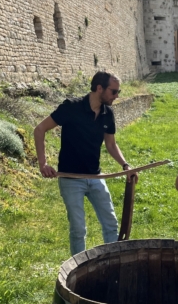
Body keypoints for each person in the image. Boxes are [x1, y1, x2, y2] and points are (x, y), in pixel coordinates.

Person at [34, 71, 137, 256]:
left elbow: (111, 144)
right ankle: (78, 270)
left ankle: (113, 264)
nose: (117, 96)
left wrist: (125, 165)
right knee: (78, 229)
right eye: (114, 92)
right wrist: (43, 163)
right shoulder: (71, 107)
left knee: (110, 224)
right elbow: (40, 129)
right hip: (70, 178)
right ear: (99, 88)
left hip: (96, 176)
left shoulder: (107, 114)